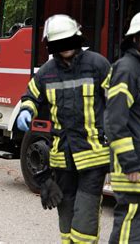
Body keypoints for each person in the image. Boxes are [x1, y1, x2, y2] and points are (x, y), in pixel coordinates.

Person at [16, 14, 111, 243]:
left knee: (85, 221)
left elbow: (118, 99)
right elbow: (31, 96)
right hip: (62, 159)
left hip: (93, 157)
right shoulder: (46, 72)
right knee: (65, 218)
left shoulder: (97, 64)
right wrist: (26, 110)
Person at [105, 11, 140, 243]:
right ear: (135, 38)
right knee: (132, 223)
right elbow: (114, 121)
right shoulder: (126, 69)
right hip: (133, 166)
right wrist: (130, 161)